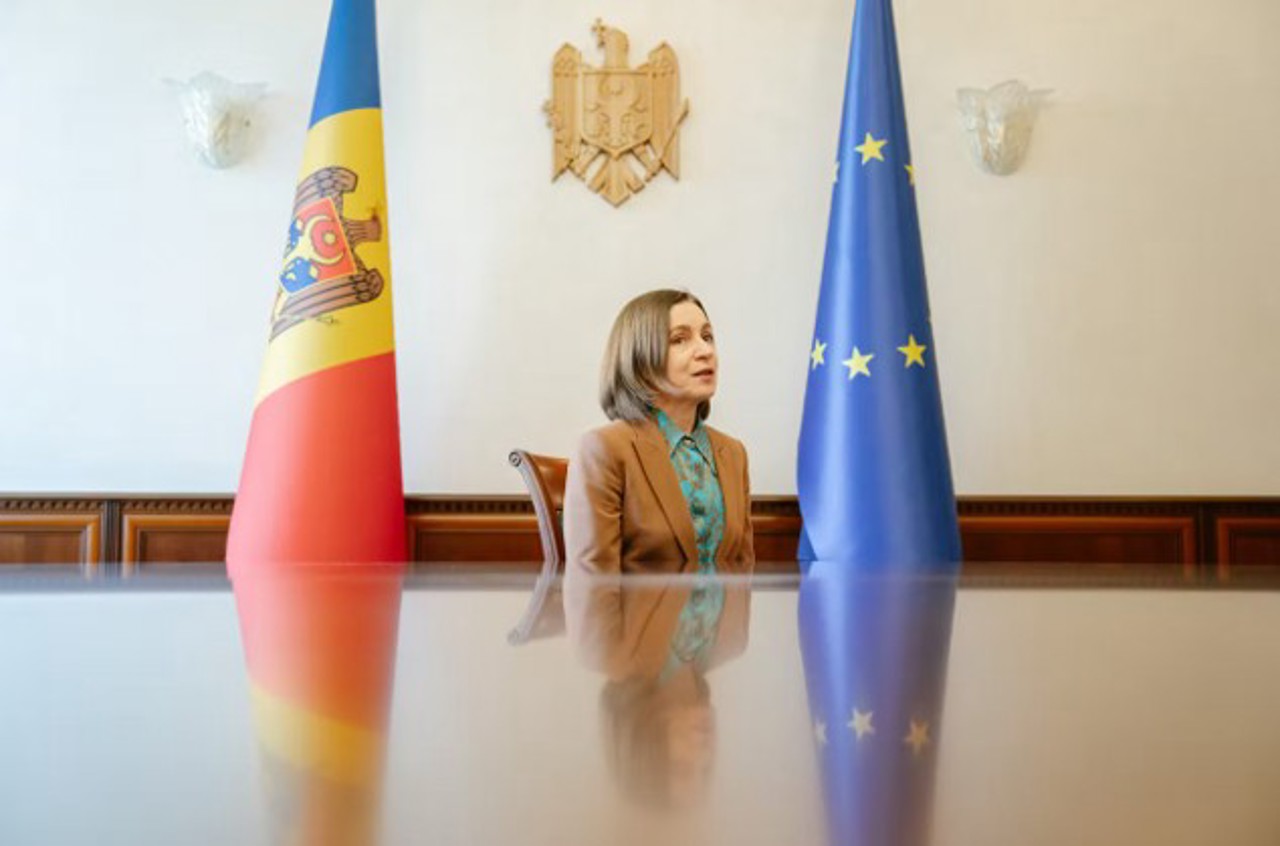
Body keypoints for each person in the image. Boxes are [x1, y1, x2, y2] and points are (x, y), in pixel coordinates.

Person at [564, 288, 755, 679]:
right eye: (680, 340)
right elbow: (593, 582)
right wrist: (622, 671)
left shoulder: (733, 453)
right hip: (636, 668)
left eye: (708, 336)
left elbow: (741, 569)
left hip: (714, 665)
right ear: (639, 361)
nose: (705, 351)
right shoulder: (604, 449)